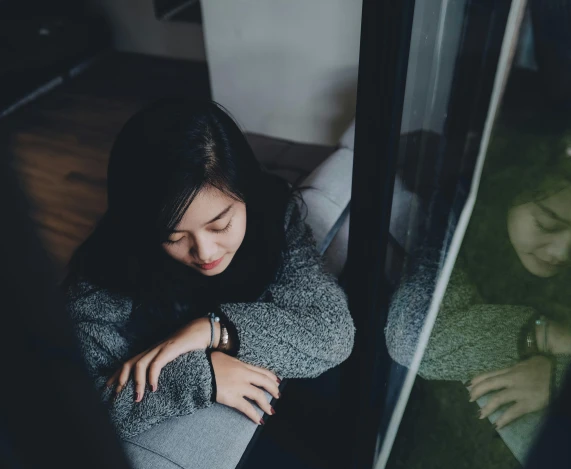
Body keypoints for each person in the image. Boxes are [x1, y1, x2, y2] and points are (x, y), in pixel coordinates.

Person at [64, 99, 354, 441]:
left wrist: (214, 331)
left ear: (245, 191)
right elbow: (77, 405)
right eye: (174, 236)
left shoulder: (275, 214)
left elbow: (334, 335)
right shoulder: (105, 270)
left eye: (220, 225)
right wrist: (203, 374)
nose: (205, 252)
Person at [387, 104, 571, 456]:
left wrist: (567, 375)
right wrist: (548, 334)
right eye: (547, 224)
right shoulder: (459, 220)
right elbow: (414, 336)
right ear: (508, 193)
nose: (563, 251)